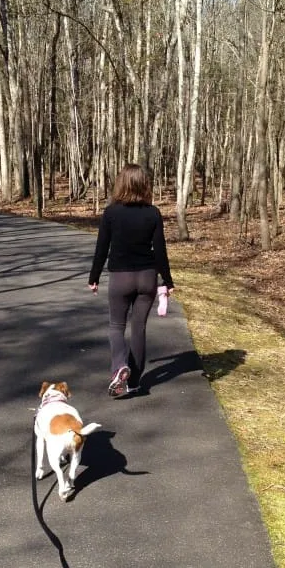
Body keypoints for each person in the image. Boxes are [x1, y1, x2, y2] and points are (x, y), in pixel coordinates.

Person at [88, 164, 175, 397]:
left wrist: (94, 277)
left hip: (121, 278)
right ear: (144, 185)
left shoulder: (111, 212)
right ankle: (134, 381)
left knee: (116, 326)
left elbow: (101, 248)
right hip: (147, 277)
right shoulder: (153, 213)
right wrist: (167, 280)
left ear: (121, 183)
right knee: (139, 328)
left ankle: (119, 366)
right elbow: (160, 251)